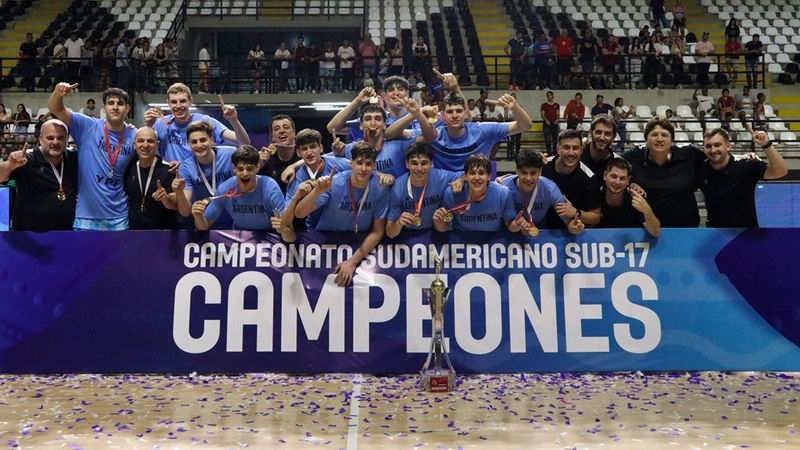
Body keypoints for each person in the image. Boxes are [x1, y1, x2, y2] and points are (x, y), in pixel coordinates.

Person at [286, 142, 390, 286]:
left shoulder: (380, 188)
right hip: (326, 243)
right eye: (359, 163)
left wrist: (352, 262)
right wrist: (317, 191)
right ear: (351, 163)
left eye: (368, 164)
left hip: (359, 244)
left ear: (374, 166)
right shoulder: (334, 182)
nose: (364, 168)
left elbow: (378, 231)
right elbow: (299, 214)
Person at [48, 84, 137, 230]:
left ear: (127, 109)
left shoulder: (134, 135)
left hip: (119, 217)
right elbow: (56, 109)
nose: (115, 107)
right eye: (111, 103)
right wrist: (58, 93)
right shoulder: (87, 126)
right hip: (86, 217)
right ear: (104, 108)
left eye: (120, 104)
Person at [391, 92, 532, 171]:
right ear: (443, 116)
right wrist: (414, 113)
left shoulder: (483, 130)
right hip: (446, 194)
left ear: (466, 114)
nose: (454, 115)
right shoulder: (434, 135)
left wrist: (515, 108)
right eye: (450, 112)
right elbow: (391, 134)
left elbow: (525, 126)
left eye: (459, 111)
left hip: (478, 187)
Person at [193, 145, 294, 240]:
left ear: (257, 168)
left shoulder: (270, 187)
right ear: (234, 169)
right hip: (240, 240)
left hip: (270, 238)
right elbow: (204, 225)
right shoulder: (225, 189)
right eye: (240, 169)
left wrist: (283, 230)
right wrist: (198, 216)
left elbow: (291, 237)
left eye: (249, 169)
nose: (245, 173)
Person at [622, 116, 706, 227]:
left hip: (686, 231)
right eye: (654, 134)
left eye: (665, 135)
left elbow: (711, 164)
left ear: (672, 140)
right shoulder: (632, 158)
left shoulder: (690, 155)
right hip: (644, 231)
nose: (660, 139)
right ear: (646, 139)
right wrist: (629, 184)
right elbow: (613, 174)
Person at [143, 83, 250, 164]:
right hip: (171, 180)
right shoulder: (160, 123)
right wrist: (148, 125)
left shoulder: (205, 122)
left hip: (200, 179)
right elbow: (144, 150)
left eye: (183, 101)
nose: (178, 106)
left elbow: (244, 142)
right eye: (174, 102)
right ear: (168, 103)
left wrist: (234, 120)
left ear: (190, 101)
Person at [700, 128, 787, 227]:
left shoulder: (746, 165)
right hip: (715, 234)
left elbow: (781, 171)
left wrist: (766, 145)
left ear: (728, 146)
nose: (713, 150)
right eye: (708, 146)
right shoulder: (701, 170)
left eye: (717, 145)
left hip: (746, 234)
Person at [0, 119, 77, 231]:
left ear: (67, 139)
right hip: (29, 235)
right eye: (50, 138)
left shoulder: (74, 158)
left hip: (65, 234)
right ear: (40, 139)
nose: (55, 142)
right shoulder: (27, 159)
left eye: (60, 138)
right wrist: (10, 165)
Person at [334, 98, 436, 179]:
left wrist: (417, 113)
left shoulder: (397, 145)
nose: (373, 123)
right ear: (361, 125)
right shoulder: (351, 149)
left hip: (396, 201)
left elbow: (429, 137)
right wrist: (337, 150)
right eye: (368, 119)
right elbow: (332, 128)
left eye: (378, 119)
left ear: (384, 125)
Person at [385, 143, 464, 237]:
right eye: (414, 163)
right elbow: (390, 233)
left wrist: (461, 179)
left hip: (434, 234)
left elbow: (466, 174)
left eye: (424, 163)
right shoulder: (398, 188)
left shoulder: (441, 177)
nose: (419, 168)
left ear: (431, 164)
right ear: (407, 164)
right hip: (406, 236)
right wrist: (398, 223)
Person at [500, 148, 583, 234]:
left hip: (539, 236)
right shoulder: (503, 188)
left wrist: (573, 227)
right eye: (524, 173)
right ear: (517, 171)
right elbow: (504, 223)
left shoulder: (550, 189)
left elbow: (568, 222)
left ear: (540, 172)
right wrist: (513, 227)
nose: (528, 178)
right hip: (506, 236)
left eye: (533, 173)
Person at [432, 154, 521, 232]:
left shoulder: (503, 194)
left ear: (489, 176)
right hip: (460, 243)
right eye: (472, 173)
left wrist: (515, 227)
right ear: (465, 176)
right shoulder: (451, 194)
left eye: (481, 173)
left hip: (492, 244)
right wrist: (439, 224)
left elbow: (509, 226)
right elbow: (443, 228)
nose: (477, 178)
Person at [173, 121, 236, 229]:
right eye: (194, 142)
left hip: (234, 223)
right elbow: (185, 212)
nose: (199, 145)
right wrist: (178, 192)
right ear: (188, 144)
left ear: (211, 140)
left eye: (203, 140)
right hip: (204, 222)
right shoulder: (185, 168)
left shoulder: (231, 155)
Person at [542, 129, 602, 230]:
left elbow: (596, 217)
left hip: (573, 233)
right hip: (540, 230)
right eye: (566, 147)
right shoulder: (543, 166)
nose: (571, 153)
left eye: (575, 148)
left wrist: (575, 212)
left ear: (581, 150)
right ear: (558, 149)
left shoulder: (589, 177)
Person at [123, 127, 178, 229]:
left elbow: (175, 204)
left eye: (150, 141)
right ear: (134, 145)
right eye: (141, 141)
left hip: (162, 233)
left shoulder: (168, 170)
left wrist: (166, 198)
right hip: (134, 233)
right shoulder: (128, 167)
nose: (145, 145)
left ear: (157, 144)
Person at [598, 158, 660, 237]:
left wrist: (647, 210)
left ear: (628, 181)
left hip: (631, 246)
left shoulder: (636, 197)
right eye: (614, 176)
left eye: (622, 178)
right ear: (605, 175)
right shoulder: (595, 195)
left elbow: (655, 232)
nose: (617, 182)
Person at [258, 115, 300, 194]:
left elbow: (320, 158)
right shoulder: (266, 159)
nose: (281, 131)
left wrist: (293, 166)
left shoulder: (303, 154)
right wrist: (257, 164)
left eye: (286, 127)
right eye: (277, 129)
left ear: (294, 133)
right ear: (273, 137)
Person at [540, 91, 560, 156]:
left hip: (554, 124)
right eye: (548, 95)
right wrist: (546, 120)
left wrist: (557, 119)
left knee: (555, 140)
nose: (549, 97)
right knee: (547, 140)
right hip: (547, 125)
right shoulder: (544, 105)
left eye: (550, 95)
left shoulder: (556, 105)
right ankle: (549, 154)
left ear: (553, 96)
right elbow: (542, 114)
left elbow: (557, 113)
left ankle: (555, 154)